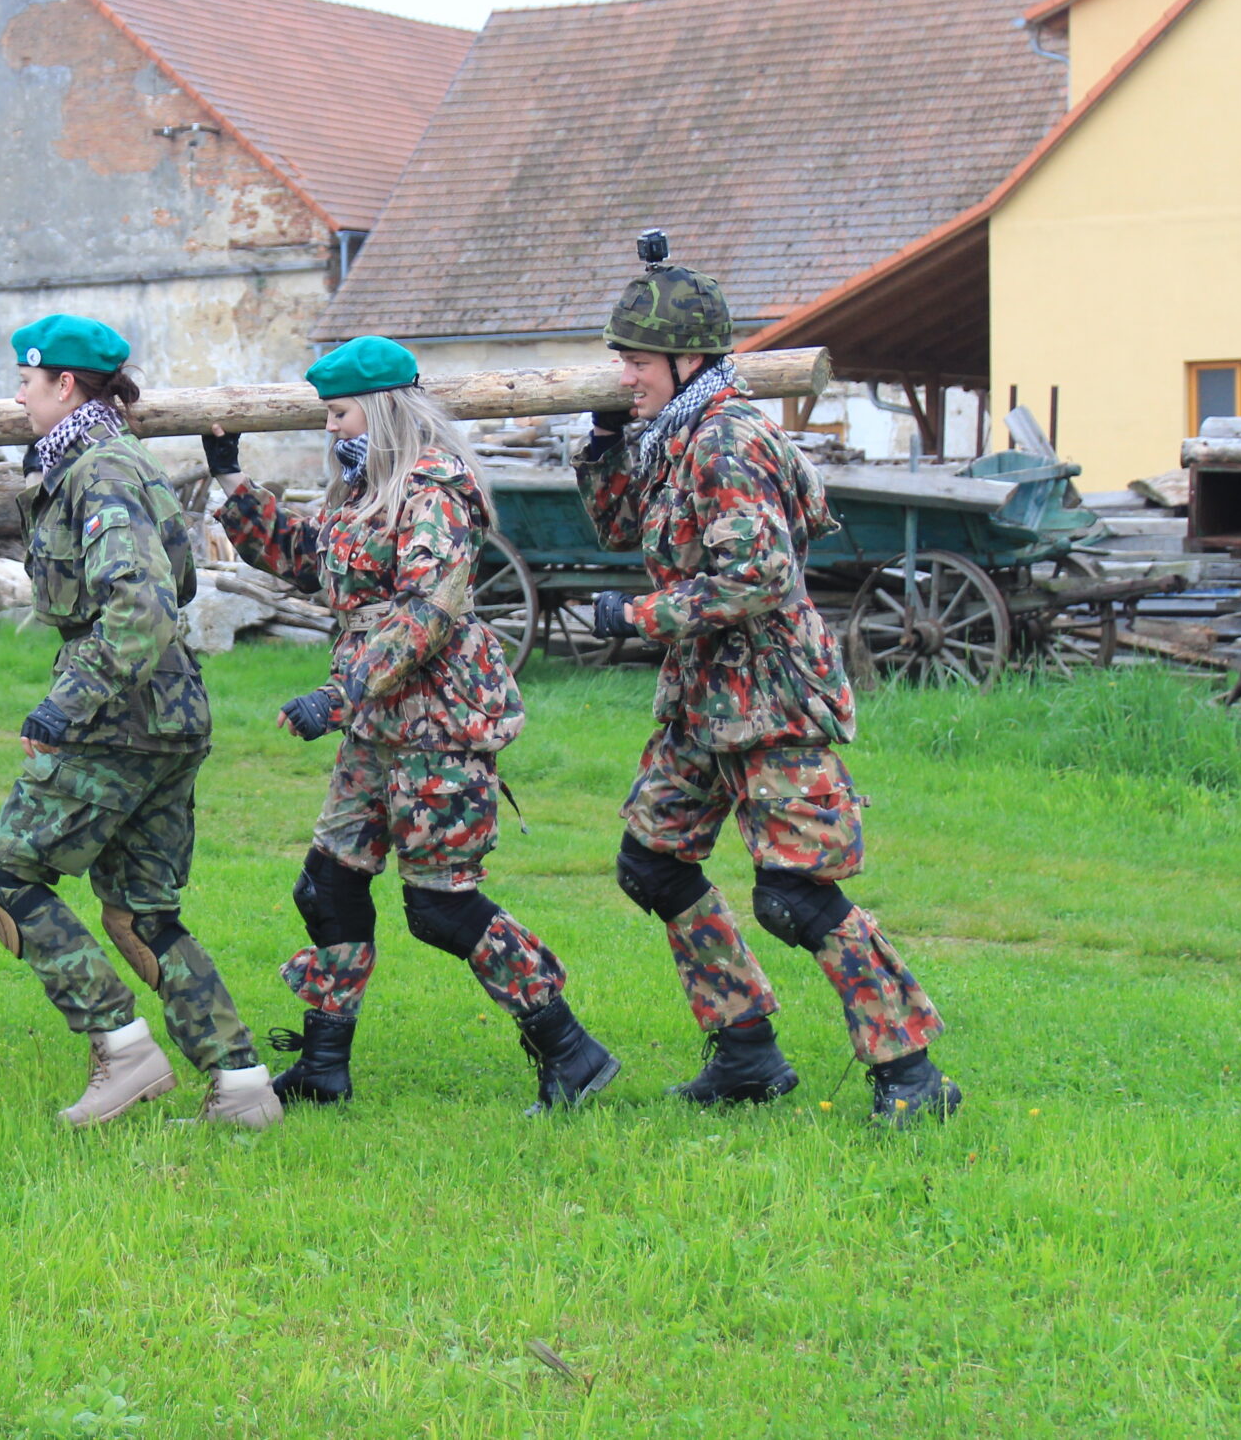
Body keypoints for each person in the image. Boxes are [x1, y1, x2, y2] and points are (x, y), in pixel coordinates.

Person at [576, 235, 961, 1127]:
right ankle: (746, 1052)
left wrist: (634, 616)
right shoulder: (676, 434)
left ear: (687, 361)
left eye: (636, 362)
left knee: (795, 894)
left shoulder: (728, 442)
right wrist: (603, 437)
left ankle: (912, 1073)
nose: (625, 375)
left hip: (771, 697)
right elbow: (621, 524)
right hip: (703, 700)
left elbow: (756, 579)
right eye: (620, 360)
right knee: (652, 863)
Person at [206, 337, 620, 1114]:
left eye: (341, 413)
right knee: (328, 885)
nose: (331, 427)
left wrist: (338, 693)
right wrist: (231, 478)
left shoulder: (433, 490)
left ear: (385, 410)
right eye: (328, 414)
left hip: (439, 723)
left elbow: (427, 612)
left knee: (441, 906)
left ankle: (571, 1051)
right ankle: (324, 1065)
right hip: (378, 724)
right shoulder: (361, 490)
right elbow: (308, 556)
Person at [0, 314, 279, 1128]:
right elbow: (176, 585)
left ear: (64, 384)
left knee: (3, 879)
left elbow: (140, 608)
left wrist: (63, 707)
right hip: (168, 712)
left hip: (119, 716)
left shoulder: (98, 471)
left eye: (25, 383)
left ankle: (124, 1049)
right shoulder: (119, 459)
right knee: (141, 912)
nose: (18, 398)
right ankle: (242, 1086)